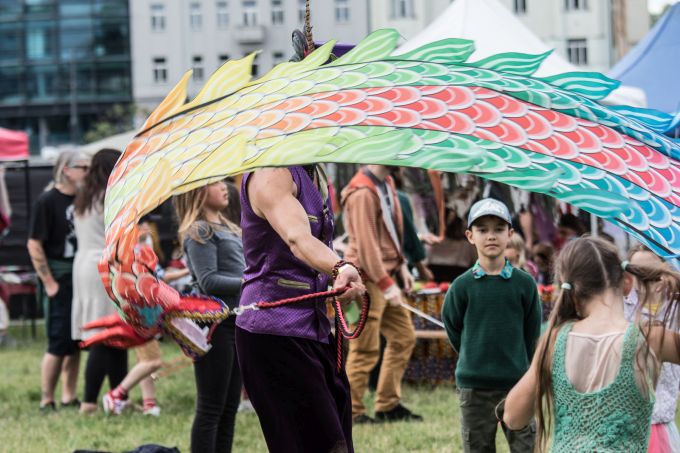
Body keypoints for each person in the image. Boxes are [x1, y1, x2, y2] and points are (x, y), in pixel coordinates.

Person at [502, 237, 680, 452]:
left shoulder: (555, 340)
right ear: (626, 282)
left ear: (571, 293)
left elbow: (512, 417)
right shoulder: (649, 338)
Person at [236, 165, 365, 453]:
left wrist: (337, 278)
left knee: (336, 442)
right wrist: (339, 268)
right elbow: (298, 238)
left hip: (314, 328)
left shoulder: (312, 171)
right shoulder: (271, 174)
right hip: (274, 334)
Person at [441, 198, 541, 452]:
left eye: (498, 229)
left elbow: (532, 333)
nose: (491, 236)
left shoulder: (524, 284)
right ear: (470, 236)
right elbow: (454, 329)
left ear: (510, 234)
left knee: (527, 446)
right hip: (474, 388)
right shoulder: (462, 286)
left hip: (517, 384)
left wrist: (527, 373)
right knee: (478, 447)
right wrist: (473, 354)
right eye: (482, 229)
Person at [341, 165, 420, 424]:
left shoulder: (386, 181)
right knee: (365, 349)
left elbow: (391, 233)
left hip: (387, 274)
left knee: (403, 337)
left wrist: (403, 266)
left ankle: (387, 404)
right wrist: (387, 284)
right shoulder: (362, 192)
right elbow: (366, 247)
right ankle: (352, 411)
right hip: (364, 279)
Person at [174, 180, 244, 453]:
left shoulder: (228, 227)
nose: (225, 187)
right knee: (211, 407)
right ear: (197, 191)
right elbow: (209, 281)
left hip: (236, 321)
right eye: (215, 183)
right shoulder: (199, 231)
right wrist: (252, 280)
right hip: (215, 326)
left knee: (229, 407)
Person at [28, 149, 90, 411]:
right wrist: (50, 283)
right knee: (57, 341)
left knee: (76, 340)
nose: (87, 173)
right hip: (59, 275)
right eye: (83, 167)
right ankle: (47, 398)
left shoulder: (85, 200)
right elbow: (34, 244)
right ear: (67, 169)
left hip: (80, 276)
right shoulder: (47, 200)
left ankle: (68, 395)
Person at [71, 148, 127, 414]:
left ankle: (117, 399)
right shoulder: (110, 195)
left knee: (113, 335)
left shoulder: (84, 196)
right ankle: (90, 401)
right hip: (104, 267)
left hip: (83, 265)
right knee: (107, 336)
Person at [102, 220, 164, 416]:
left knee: (146, 357)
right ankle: (116, 394)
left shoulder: (139, 238)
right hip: (140, 307)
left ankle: (149, 403)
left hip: (142, 306)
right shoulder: (126, 244)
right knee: (152, 361)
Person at [624, 246, 680, 452]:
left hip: (662, 421)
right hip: (628, 420)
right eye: (638, 271)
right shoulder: (622, 307)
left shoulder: (676, 306)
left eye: (652, 272)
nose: (645, 278)